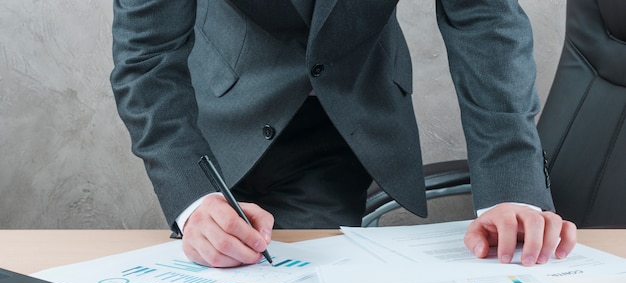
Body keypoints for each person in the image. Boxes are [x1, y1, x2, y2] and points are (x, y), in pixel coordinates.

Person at [110, 0, 576, 268]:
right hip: (215, 101)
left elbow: (484, 16)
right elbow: (146, 55)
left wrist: (510, 189)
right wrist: (191, 199)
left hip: (343, 109)